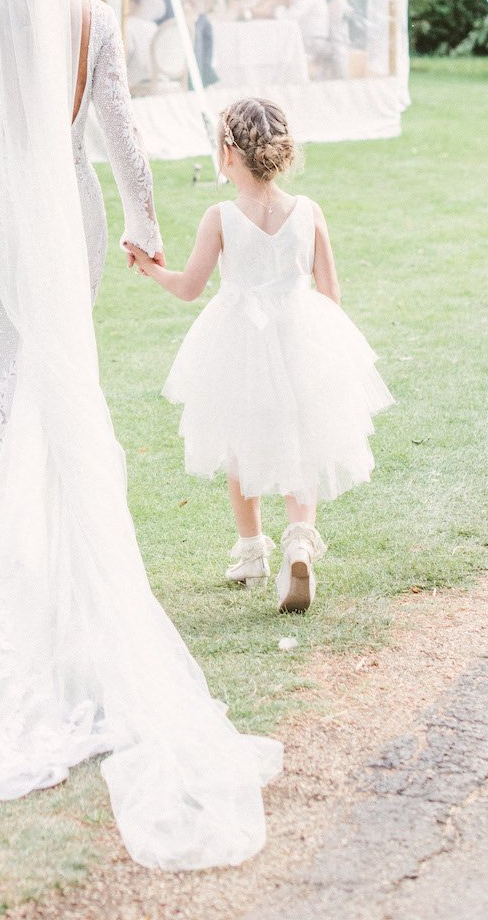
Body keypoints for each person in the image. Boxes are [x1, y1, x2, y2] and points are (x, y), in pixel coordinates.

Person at [0, 0, 280, 870]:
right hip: (66, 222)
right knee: (63, 397)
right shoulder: (92, 19)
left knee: (2, 401)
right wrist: (145, 223)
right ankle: (66, 598)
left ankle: (27, 596)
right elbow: (120, 135)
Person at [128, 97, 392, 615]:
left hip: (239, 342)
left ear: (227, 154)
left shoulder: (221, 217)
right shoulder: (309, 211)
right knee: (302, 438)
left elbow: (189, 287)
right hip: (301, 335)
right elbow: (331, 293)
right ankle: (300, 541)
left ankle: (252, 553)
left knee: (238, 441)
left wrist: (150, 267)